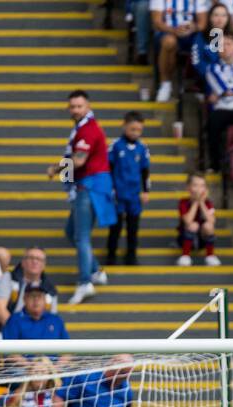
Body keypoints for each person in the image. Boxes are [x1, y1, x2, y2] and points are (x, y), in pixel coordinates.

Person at [47, 90, 112, 306]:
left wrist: (55, 169)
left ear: (88, 106)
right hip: (86, 186)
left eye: (79, 106)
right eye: (72, 106)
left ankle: (85, 282)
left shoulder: (88, 130)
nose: (75, 110)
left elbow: (79, 161)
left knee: (81, 236)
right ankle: (95, 271)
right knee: (71, 231)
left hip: (90, 187)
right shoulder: (83, 128)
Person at [106, 110, 151, 266]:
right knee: (115, 226)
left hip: (134, 195)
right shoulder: (115, 146)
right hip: (118, 193)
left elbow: (145, 171)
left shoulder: (143, 148)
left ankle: (131, 254)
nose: (135, 133)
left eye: (139, 130)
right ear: (124, 126)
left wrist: (146, 191)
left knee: (133, 227)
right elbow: (108, 168)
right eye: (132, 129)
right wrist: (109, 188)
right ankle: (111, 253)